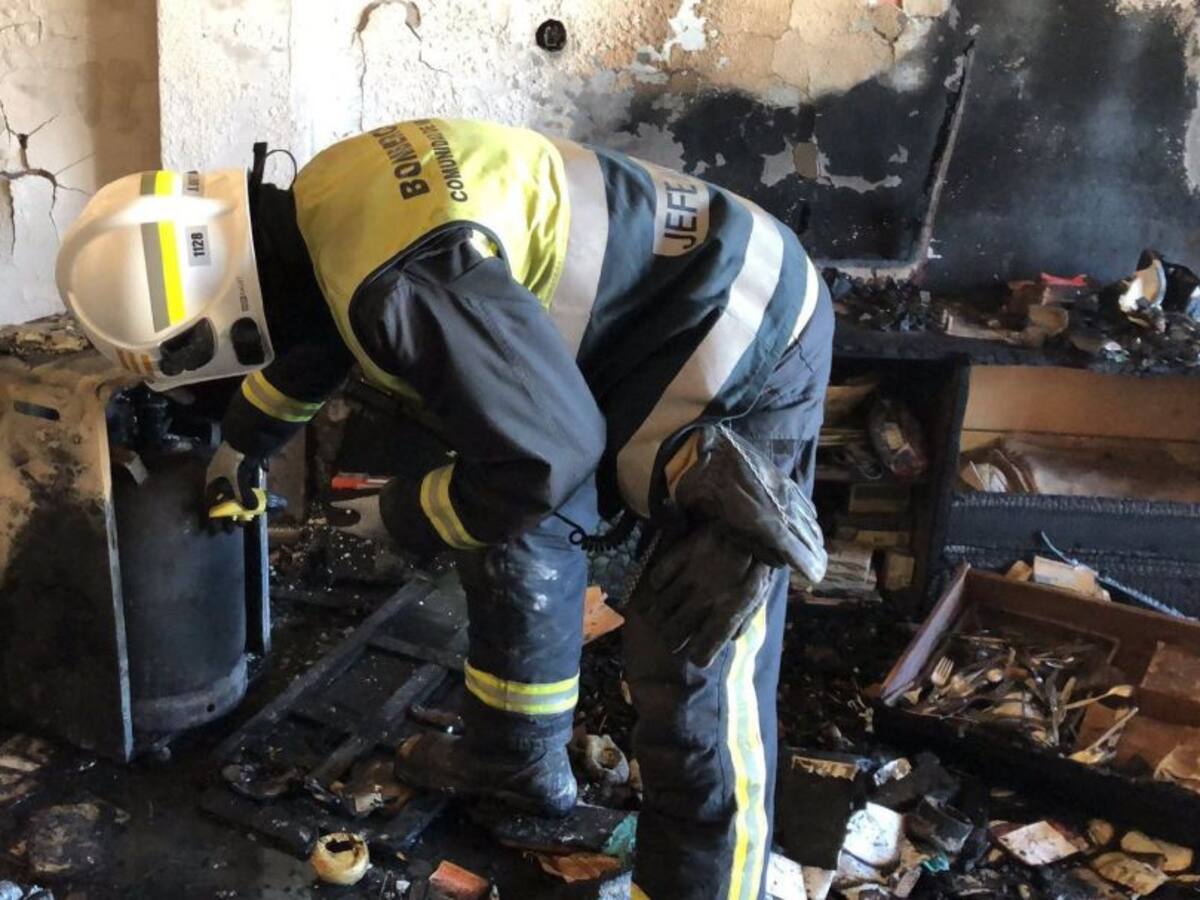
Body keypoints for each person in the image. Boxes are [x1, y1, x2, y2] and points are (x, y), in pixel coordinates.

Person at [57, 118, 832, 900]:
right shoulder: (323, 201)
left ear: (216, 317)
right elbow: (320, 333)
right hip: (654, 318)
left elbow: (548, 457)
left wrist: (403, 514)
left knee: (693, 670)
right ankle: (514, 759)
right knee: (502, 504)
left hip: (744, 338)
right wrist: (243, 445)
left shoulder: (397, 281)